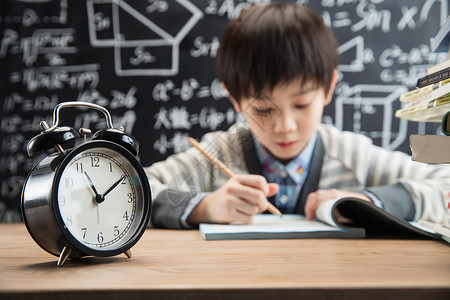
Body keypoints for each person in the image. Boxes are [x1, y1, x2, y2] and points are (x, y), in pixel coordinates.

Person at [145, 2, 450, 229]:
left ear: (329, 88)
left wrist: (370, 204)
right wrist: (205, 207)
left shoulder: (351, 156)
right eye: (264, 109)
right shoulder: (219, 153)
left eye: (301, 105)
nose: (285, 127)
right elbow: (134, 186)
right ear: (235, 99)